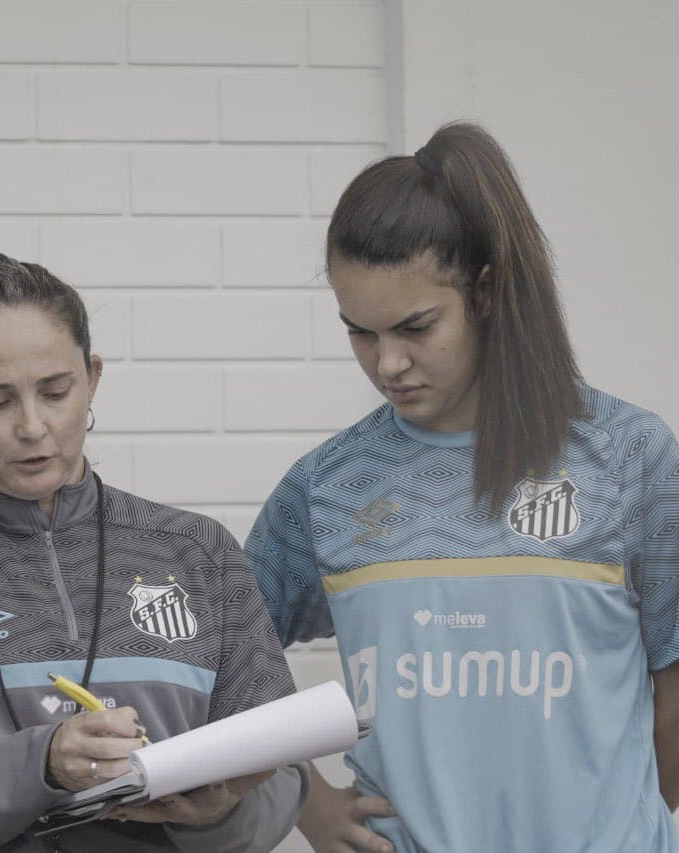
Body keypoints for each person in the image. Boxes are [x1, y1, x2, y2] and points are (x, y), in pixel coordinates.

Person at [245, 121, 679, 852]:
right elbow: (225, 652)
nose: (388, 363)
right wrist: (306, 798)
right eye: (360, 331)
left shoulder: (630, 457)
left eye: (415, 326)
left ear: (485, 291)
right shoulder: (328, 485)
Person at [0, 252, 307, 852]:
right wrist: (43, 761)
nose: (33, 426)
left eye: (55, 392)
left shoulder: (199, 553)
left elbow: (285, 774)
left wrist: (215, 816)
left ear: (93, 379)